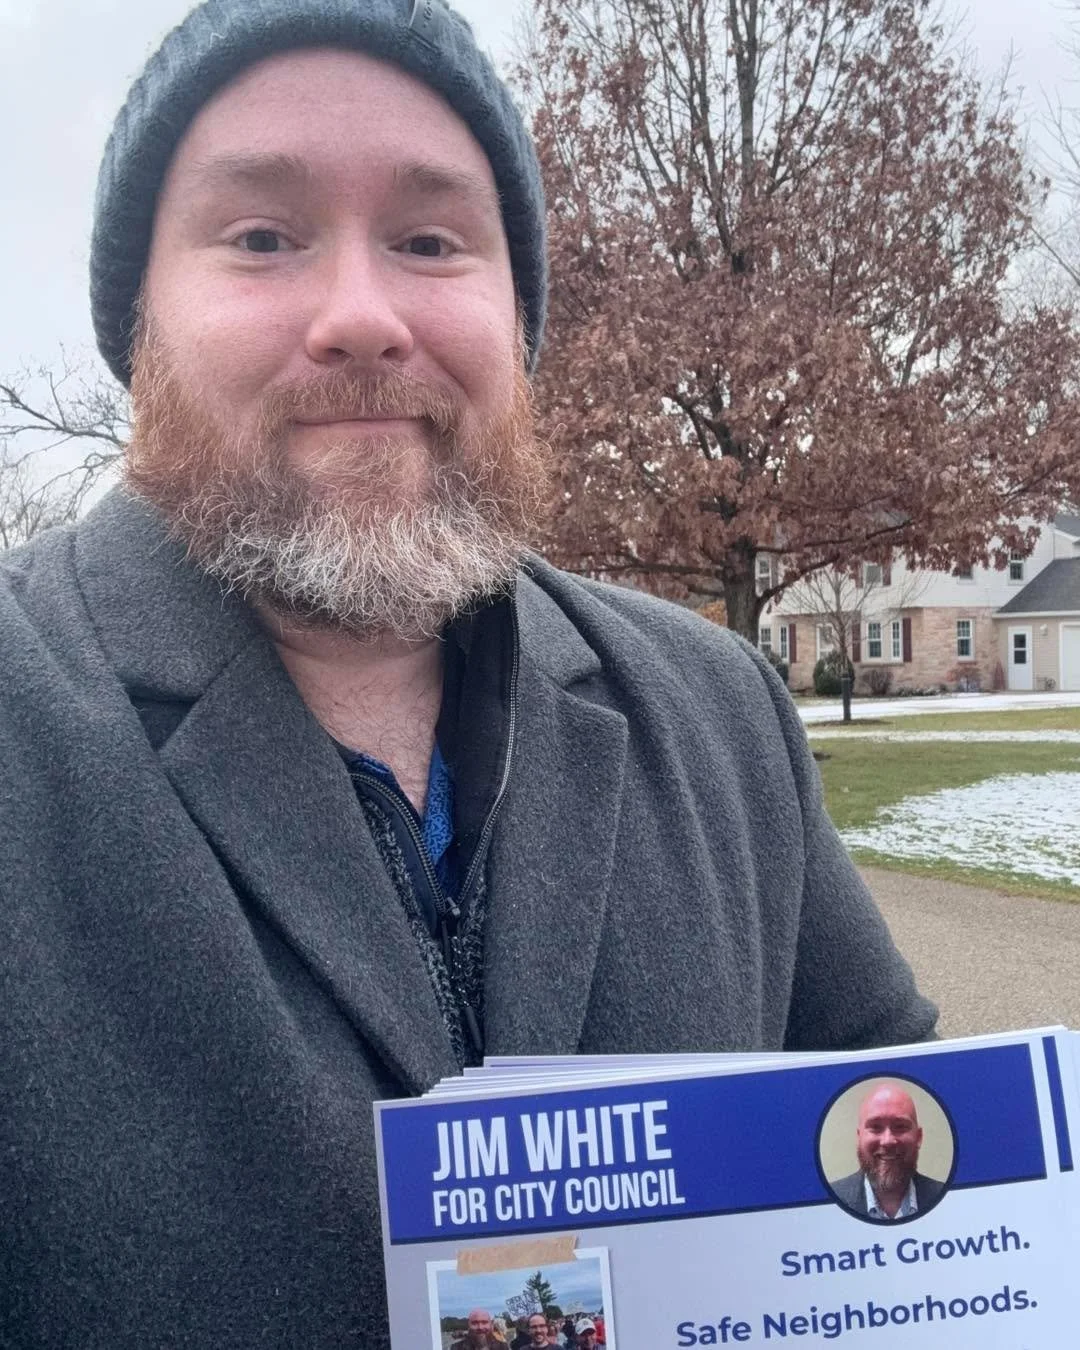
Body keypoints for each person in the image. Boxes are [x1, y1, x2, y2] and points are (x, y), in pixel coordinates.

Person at [0, 0, 936, 1344]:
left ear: (517, 314)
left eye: (432, 241)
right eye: (264, 237)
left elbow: (910, 1159)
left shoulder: (722, 712)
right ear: (139, 323)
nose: (363, 318)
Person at [831, 1082, 947, 1220]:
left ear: (919, 1137)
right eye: (875, 1127)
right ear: (859, 1137)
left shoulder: (950, 1200)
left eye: (900, 1126)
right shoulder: (830, 1202)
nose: (887, 1141)